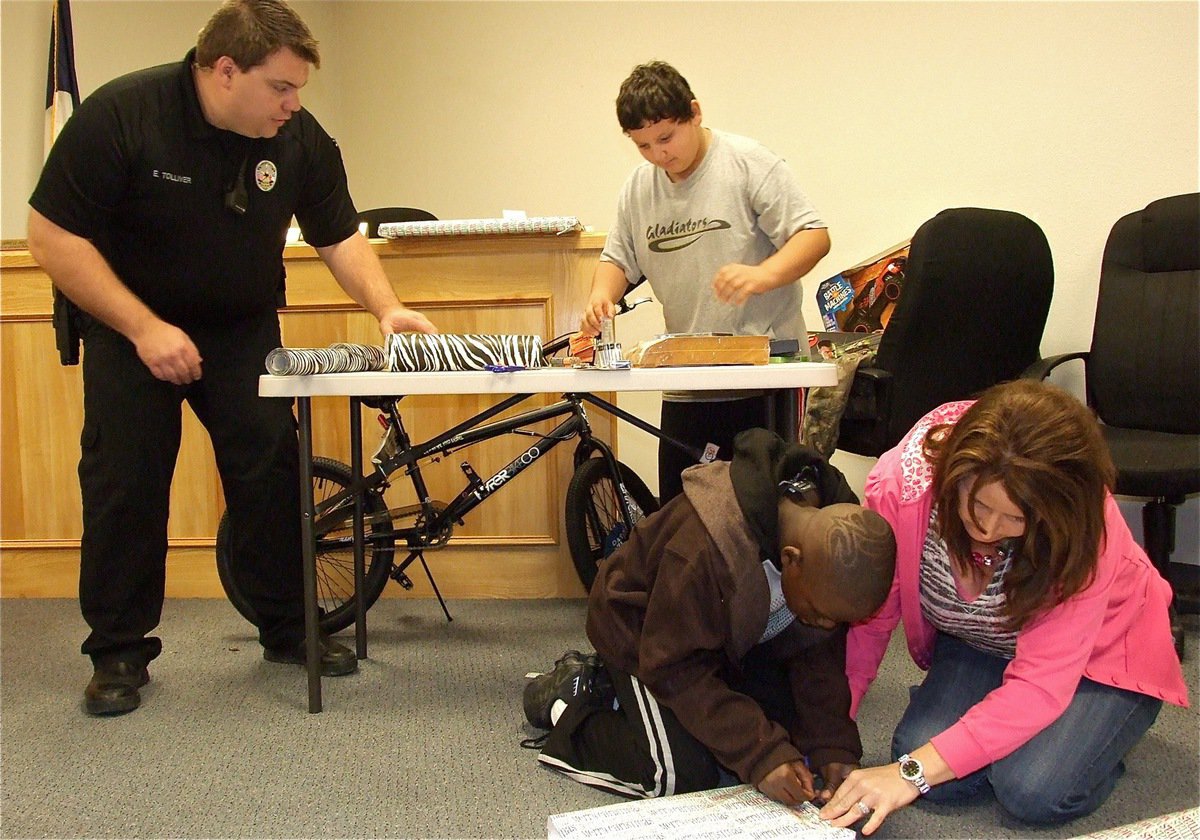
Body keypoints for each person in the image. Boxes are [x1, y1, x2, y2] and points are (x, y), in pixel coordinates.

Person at [26, 0, 436, 716]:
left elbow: (338, 235)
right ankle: (119, 651)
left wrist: (386, 306)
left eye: (298, 89)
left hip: (241, 328)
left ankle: (286, 629)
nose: (293, 103)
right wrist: (146, 328)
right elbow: (51, 237)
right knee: (125, 482)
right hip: (131, 330)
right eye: (281, 87)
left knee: (272, 471)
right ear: (224, 71)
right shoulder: (124, 115)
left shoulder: (297, 138)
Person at [820, 380, 1189, 833]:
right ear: (955, 473)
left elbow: (1039, 683)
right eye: (978, 504)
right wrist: (831, 731)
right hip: (984, 642)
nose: (988, 528)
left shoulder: (1084, 529)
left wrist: (911, 774)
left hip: (1102, 653)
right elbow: (874, 620)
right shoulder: (905, 483)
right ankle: (1017, 726)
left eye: (1015, 518)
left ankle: (1100, 733)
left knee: (1031, 790)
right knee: (922, 757)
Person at [525, 428, 896, 805]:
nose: (826, 626)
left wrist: (833, 747)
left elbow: (817, 657)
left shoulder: (828, 556)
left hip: (726, 640)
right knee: (678, 774)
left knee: (790, 741)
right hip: (644, 636)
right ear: (790, 560)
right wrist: (760, 753)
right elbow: (675, 667)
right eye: (819, 614)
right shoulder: (702, 549)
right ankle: (570, 698)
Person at [580, 61, 831, 503]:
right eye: (643, 146)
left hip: (763, 375)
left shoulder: (748, 163)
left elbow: (814, 236)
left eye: (666, 137)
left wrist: (762, 274)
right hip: (688, 378)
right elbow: (617, 259)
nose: (659, 154)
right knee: (682, 513)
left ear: (694, 113)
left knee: (763, 516)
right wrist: (602, 293)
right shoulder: (639, 189)